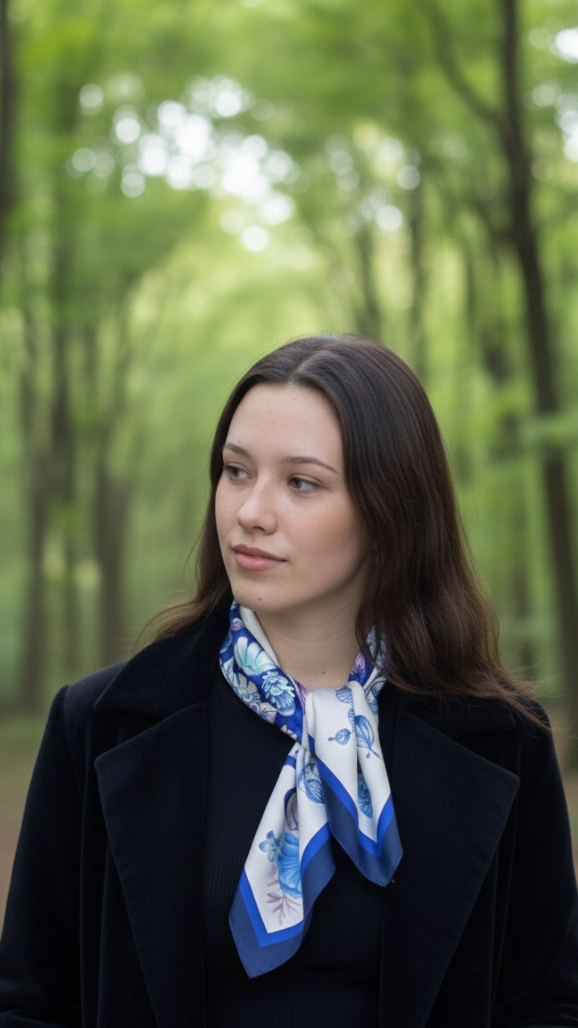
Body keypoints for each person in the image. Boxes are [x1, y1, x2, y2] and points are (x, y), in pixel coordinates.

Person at [1, 333, 577, 1028]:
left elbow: (546, 1003)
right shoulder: (100, 724)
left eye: (301, 483)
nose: (250, 512)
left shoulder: (501, 738)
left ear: (390, 511)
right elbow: (31, 1003)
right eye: (236, 471)